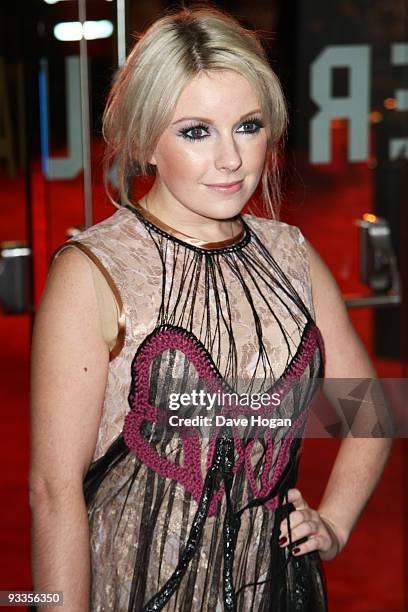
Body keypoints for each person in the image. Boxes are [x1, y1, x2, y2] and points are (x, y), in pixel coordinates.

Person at [29, 6, 392, 612]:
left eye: (247, 127)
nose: (231, 159)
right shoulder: (94, 271)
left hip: (276, 590)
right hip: (134, 589)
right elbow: (52, 490)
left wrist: (334, 524)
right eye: (196, 131)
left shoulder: (290, 255)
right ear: (146, 140)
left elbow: (371, 410)